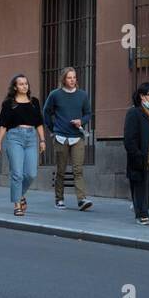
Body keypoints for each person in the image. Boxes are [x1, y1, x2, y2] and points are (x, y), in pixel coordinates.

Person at [42, 67, 94, 211]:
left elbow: (88, 113)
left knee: (78, 170)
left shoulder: (82, 95)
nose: (72, 80)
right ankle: (59, 199)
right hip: (60, 137)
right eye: (69, 77)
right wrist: (53, 129)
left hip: (77, 137)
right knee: (61, 170)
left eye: (74, 77)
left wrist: (81, 121)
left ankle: (81, 199)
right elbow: (46, 112)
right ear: (64, 79)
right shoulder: (55, 95)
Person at [0, 74, 46, 216]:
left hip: (31, 138)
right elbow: (3, 124)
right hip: (14, 137)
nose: (24, 86)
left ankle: (20, 194)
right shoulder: (9, 103)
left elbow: (39, 123)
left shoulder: (34, 102)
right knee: (17, 173)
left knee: (31, 174)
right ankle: (17, 204)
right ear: (15, 87)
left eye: (26, 83)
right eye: (21, 84)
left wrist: (42, 140)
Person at [123, 82, 149, 226]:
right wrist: (137, 155)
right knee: (140, 186)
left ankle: (141, 205)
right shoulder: (134, 112)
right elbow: (129, 138)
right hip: (140, 156)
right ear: (142, 96)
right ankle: (142, 213)